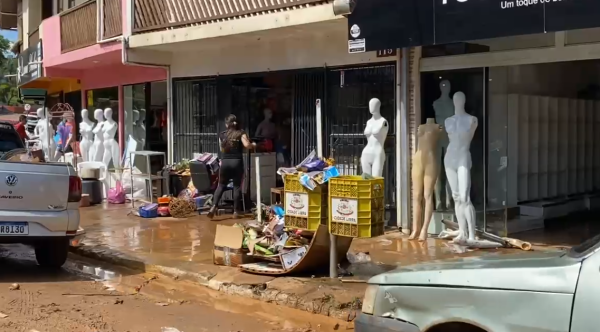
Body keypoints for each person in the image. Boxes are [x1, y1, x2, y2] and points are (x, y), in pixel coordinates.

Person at [208, 114, 255, 219]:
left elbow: (222, 150)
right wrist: (254, 145)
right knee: (237, 186)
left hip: (225, 163)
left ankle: (213, 206)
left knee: (221, 185)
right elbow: (247, 145)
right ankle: (235, 211)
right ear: (236, 123)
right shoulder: (241, 133)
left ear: (226, 124)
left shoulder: (222, 135)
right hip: (237, 163)